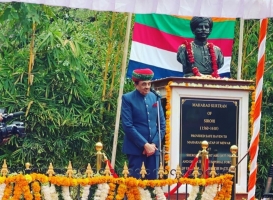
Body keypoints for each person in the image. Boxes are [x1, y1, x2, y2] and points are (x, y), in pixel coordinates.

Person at [121, 68, 166, 180]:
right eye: (143, 84)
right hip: (136, 149)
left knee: (152, 185)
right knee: (135, 186)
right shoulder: (127, 98)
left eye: (149, 83)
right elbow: (128, 125)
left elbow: (162, 125)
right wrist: (145, 145)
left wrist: (153, 145)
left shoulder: (155, 97)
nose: (147, 87)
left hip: (153, 150)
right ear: (136, 85)